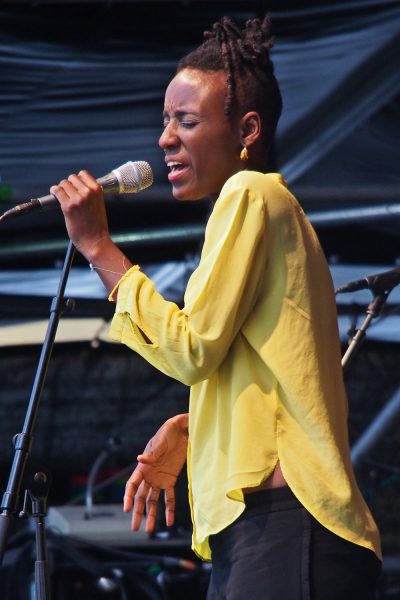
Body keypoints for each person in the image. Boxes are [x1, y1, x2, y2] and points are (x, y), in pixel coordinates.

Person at [52, 16, 382, 600]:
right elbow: (257, 368)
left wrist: (99, 249)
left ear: (246, 128)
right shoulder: (257, 212)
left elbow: (190, 349)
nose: (165, 139)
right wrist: (191, 426)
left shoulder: (251, 193)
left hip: (287, 520)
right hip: (267, 526)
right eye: (165, 122)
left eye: (187, 121)